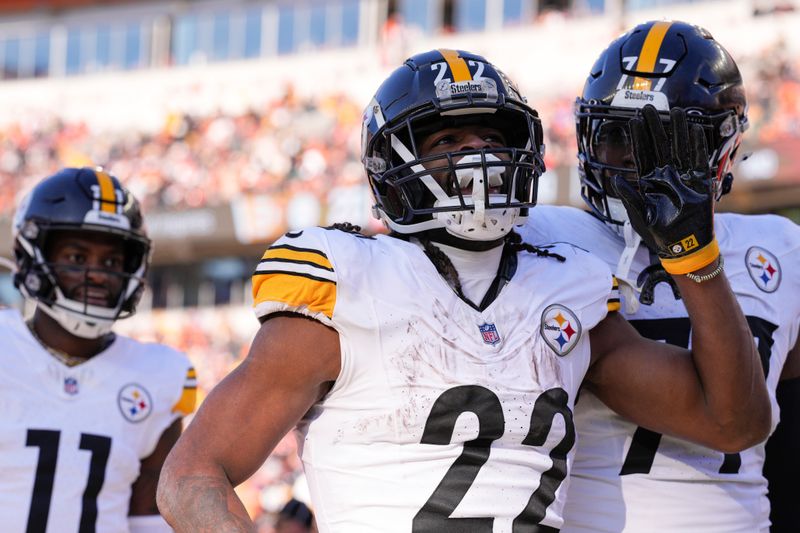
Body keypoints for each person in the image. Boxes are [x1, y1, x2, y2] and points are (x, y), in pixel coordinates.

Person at [157, 49, 769, 532]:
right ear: (391, 164)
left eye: (491, 138)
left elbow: (733, 421)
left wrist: (695, 254)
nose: (479, 157)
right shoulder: (347, 282)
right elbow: (190, 477)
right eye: (447, 142)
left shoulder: (568, 285)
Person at [517, 20, 800, 532]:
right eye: (616, 132)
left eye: (666, 137)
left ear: (723, 143)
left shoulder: (780, 247)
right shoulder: (546, 238)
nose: (636, 156)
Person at [0, 167, 196, 533]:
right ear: (34, 254)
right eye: (76, 257)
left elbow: (148, 519)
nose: (98, 274)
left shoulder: (158, 374)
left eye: (110, 262)